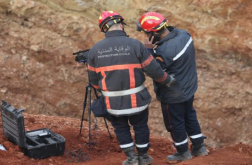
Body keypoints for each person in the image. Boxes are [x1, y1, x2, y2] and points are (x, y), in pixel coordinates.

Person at [87, 11, 175, 165]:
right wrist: (167, 80)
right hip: (137, 102)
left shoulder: (95, 50)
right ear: (121, 24)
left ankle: (131, 159)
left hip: (113, 105)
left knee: (121, 129)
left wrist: (105, 91)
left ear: (104, 29)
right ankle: (144, 157)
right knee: (140, 127)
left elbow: (93, 80)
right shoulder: (135, 45)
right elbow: (153, 70)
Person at [136, 12, 208, 162]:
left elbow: (155, 70)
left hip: (173, 93)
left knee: (175, 123)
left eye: (145, 32)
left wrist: (149, 50)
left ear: (153, 33)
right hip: (189, 86)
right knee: (189, 115)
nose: (145, 34)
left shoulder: (165, 51)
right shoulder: (184, 34)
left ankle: (182, 152)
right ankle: (199, 147)